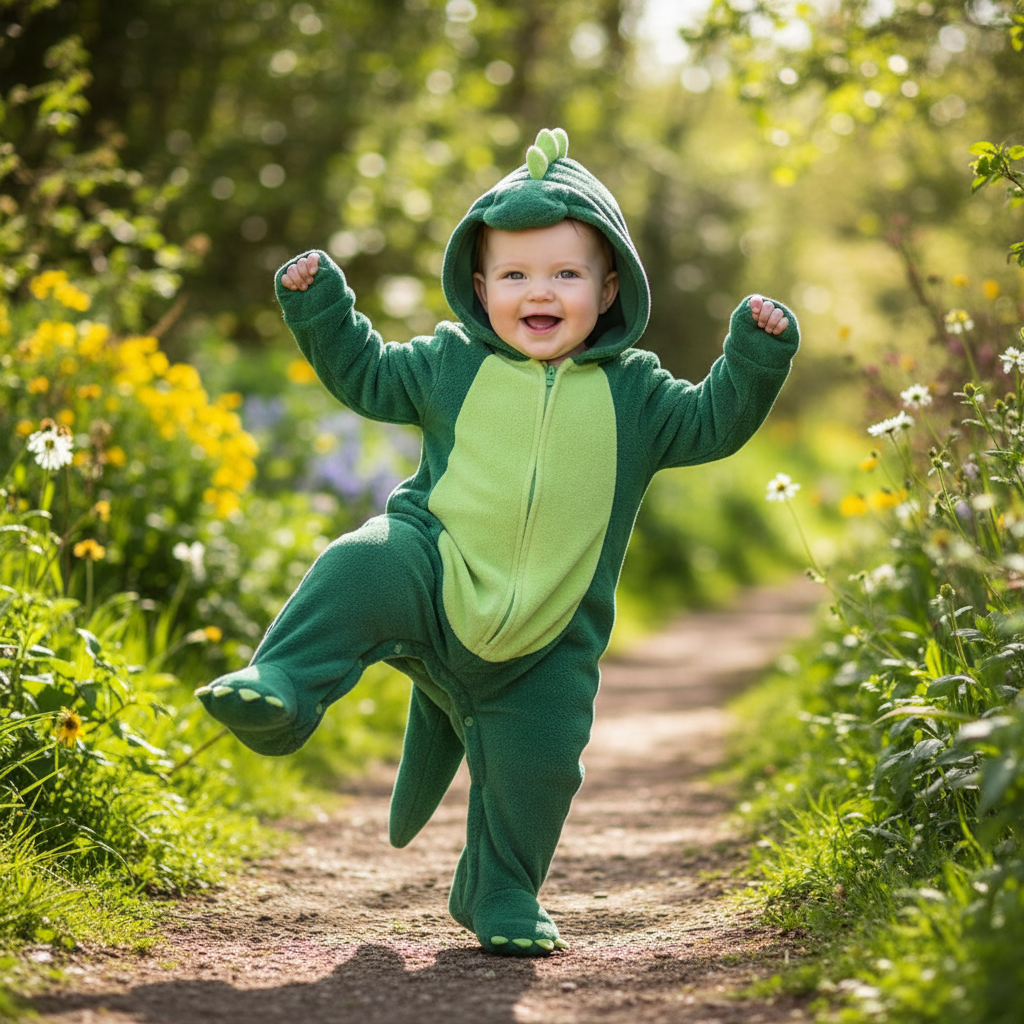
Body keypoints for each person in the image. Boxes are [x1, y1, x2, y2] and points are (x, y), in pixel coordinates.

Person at [196, 128, 798, 957]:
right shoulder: (449, 363)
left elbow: (712, 423)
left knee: (542, 766)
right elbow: (367, 374)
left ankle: (501, 888)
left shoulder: (640, 395)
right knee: (359, 561)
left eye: (564, 273)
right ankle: (286, 686)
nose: (537, 292)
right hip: (432, 570)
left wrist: (755, 356)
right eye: (513, 274)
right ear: (479, 289)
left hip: (549, 639)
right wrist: (322, 307)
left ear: (608, 284)